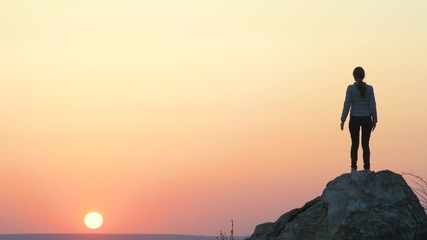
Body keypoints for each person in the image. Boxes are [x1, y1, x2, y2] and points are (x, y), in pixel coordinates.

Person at [340, 67, 377, 173]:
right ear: (364, 76)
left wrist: (343, 119)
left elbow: (346, 104)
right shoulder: (370, 88)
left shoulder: (350, 88)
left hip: (354, 119)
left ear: (354, 76)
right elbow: (372, 105)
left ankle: (353, 169)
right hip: (366, 119)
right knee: (365, 144)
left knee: (354, 144)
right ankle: (367, 169)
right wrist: (375, 120)